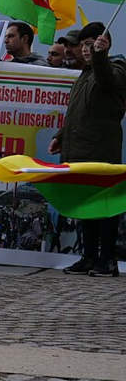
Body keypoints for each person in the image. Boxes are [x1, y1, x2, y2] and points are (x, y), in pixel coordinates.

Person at [49, 22, 126, 277]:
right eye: (82, 45)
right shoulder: (85, 74)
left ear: (103, 43)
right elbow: (77, 113)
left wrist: (101, 55)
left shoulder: (115, 67)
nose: (84, 49)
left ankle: (108, 260)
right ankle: (89, 256)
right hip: (79, 150)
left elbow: (108, 82)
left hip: (101, 151)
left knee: (104, 209)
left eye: (89, 44)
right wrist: (61, 136)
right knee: (85, 208)